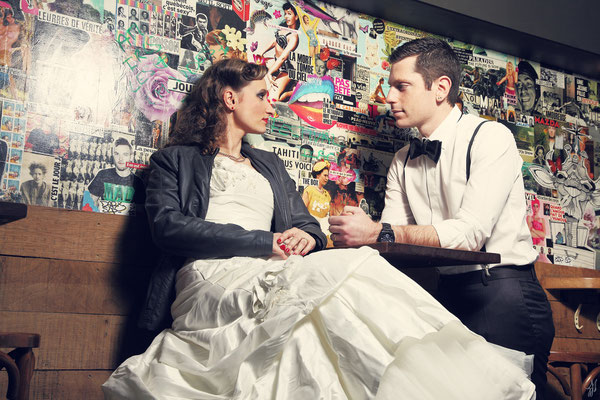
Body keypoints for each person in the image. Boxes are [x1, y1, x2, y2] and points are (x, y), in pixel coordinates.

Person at [102, 58, 535, 400]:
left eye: (401, 86)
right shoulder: (173, 160)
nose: (273, 105)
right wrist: (265, 242)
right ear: (230, 99)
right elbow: (168, 228)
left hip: (493, 284)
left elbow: (305, 222)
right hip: (210, 273)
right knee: (328, 280)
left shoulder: (268, 163)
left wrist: (307, 236)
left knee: (325, 304)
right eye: (262, 96)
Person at [328, 37, 554, 399]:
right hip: (440, 295)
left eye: (402, 86)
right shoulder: (402, 159)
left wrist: (378, 232)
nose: (389, 96)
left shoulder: (491, 138)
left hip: (501, 294)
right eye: (390, 86)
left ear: (441, 88)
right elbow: (394, 246)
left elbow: (469, 234)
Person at [86, 138, 145, 209]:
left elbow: (141, 213)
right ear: (113, 155)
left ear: (131, 157)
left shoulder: (138, 183)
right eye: (117, 154)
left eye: (125, 154)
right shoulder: (103, 175)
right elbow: (88, 204)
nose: (120, 159)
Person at [260, 1, 299, 101]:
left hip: (286, 69)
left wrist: (270, 72)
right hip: (276, 63)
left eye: (289, 14)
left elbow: (283, 57)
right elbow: (274, 42)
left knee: (272, 97)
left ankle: (289, 93)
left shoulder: (294, 37)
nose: (286, 16)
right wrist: (261, 53)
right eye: (285, 13)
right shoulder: (283, 29)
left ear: (296, 17)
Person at [302, 159, 331, 231]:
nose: (327, 178)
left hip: (322, 229)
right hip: (309, 227)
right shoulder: (309, 190)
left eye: (328, 176)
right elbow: (302, 212)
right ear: (318, 175)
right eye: (325, 175)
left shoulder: (327, 194)